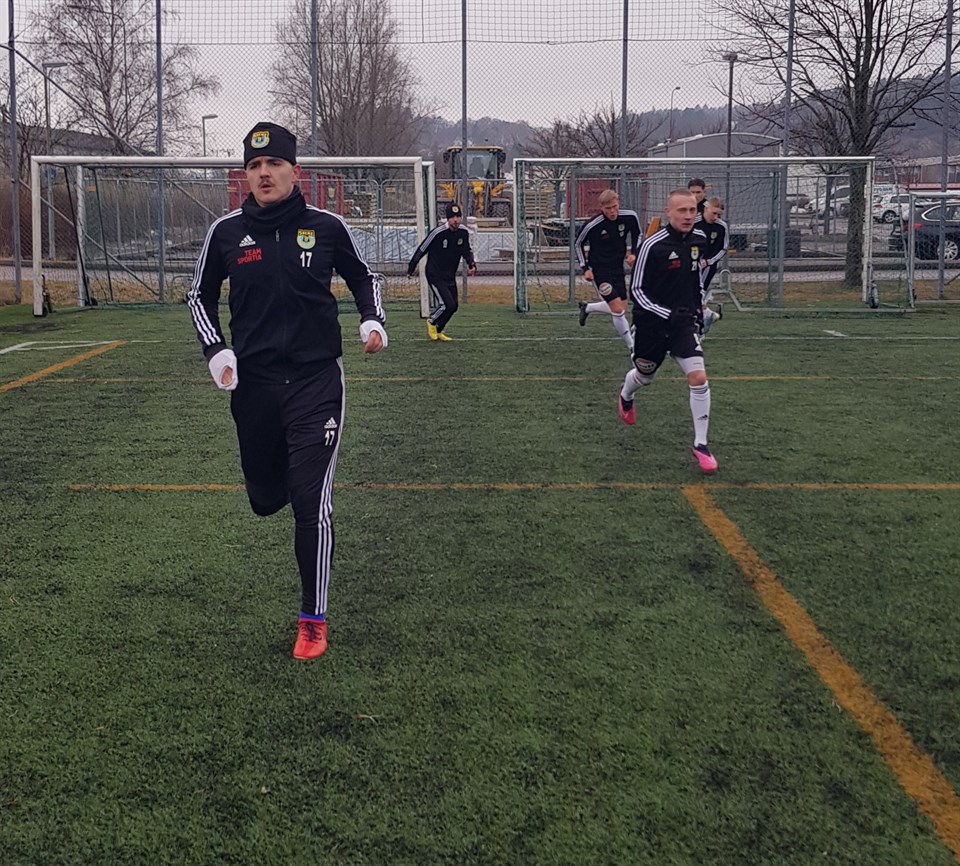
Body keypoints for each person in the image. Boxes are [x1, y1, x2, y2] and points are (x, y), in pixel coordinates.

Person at [187, 122, 387, 660]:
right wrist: (216, 351)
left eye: (274, 164)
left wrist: (372, 320)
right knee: (264, 497)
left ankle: (312, 620)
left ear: (295, 172)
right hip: (253, 387)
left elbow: (364, 277)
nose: (264, 173)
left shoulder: (326, 227)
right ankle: (272, 489)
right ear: (245, 176)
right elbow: (199, 297)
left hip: (316, 382)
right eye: (254, 166)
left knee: (310, 498)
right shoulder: (225, 233)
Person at [617, 188, 718, 473]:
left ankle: (701, 444)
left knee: (698, 377)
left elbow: (696, 279)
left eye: (692, 210)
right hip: (651, 325)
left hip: (683, 323)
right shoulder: (652, 245)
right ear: (668, 212)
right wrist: (667, 313)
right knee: (644, 376)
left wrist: (698, 307)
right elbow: (637, 291)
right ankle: (626, 395)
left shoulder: (699, 240)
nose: (688, 216)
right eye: (682, 210)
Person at [575, 189, 642, 352]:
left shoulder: (630, 216)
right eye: (608, 208)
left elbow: (638, 234)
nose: (612, 211)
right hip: (599, 270)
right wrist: (585, 268)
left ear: (618, 203)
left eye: (614, 207)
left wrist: (634, 253)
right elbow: (578, 244)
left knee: (621, 307)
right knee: (617, 309)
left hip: (618, 268)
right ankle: (632, 346)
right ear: (601, 208)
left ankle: (587, 308)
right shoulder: (593, 225)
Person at [407, 203, 476, 341]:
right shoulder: (438, 233)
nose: (455, 220)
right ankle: (432, 321)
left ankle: (438, 330)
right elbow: (422, 248)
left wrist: (471, 264)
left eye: (458, 217)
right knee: (446, 304)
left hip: (449, 274)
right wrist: (412, 266)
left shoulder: (463, 232)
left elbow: (466, 250)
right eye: (452, 217)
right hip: (435, 274)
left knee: (454, 306)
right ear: (447, 219)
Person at [699, 196, 729, 334]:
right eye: (714, 213)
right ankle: (708, 315)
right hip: (690, 264)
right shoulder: (694, 222)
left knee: (696, 293)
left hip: (707, 266)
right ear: (706, 209)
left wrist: (709, 261)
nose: (716, 217)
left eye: (719, 215)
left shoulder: (721, 226)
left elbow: (723, 248)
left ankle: (701, 326)